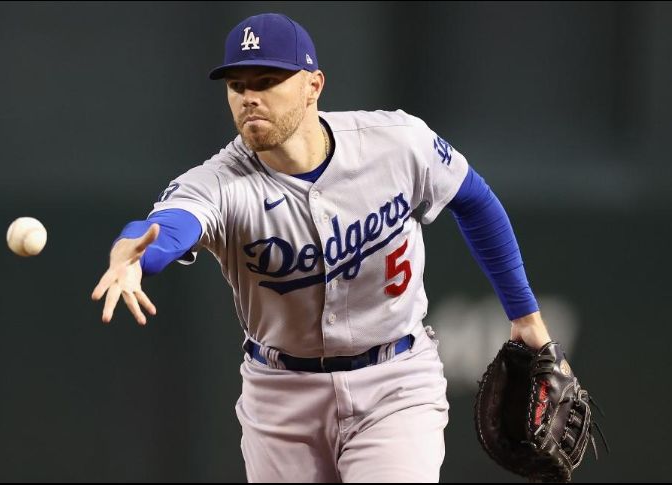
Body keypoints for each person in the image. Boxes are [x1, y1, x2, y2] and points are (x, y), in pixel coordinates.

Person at [91, 12, 553, 483]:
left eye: (268, 80)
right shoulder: (220, 182)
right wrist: (134, 251)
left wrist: (525, 316)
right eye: (237, 85)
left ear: (314, 85)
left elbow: (475, 202)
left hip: (394, 382)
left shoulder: (397, 144)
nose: (249, 97)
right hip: (281, 398)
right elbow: (169, 226)